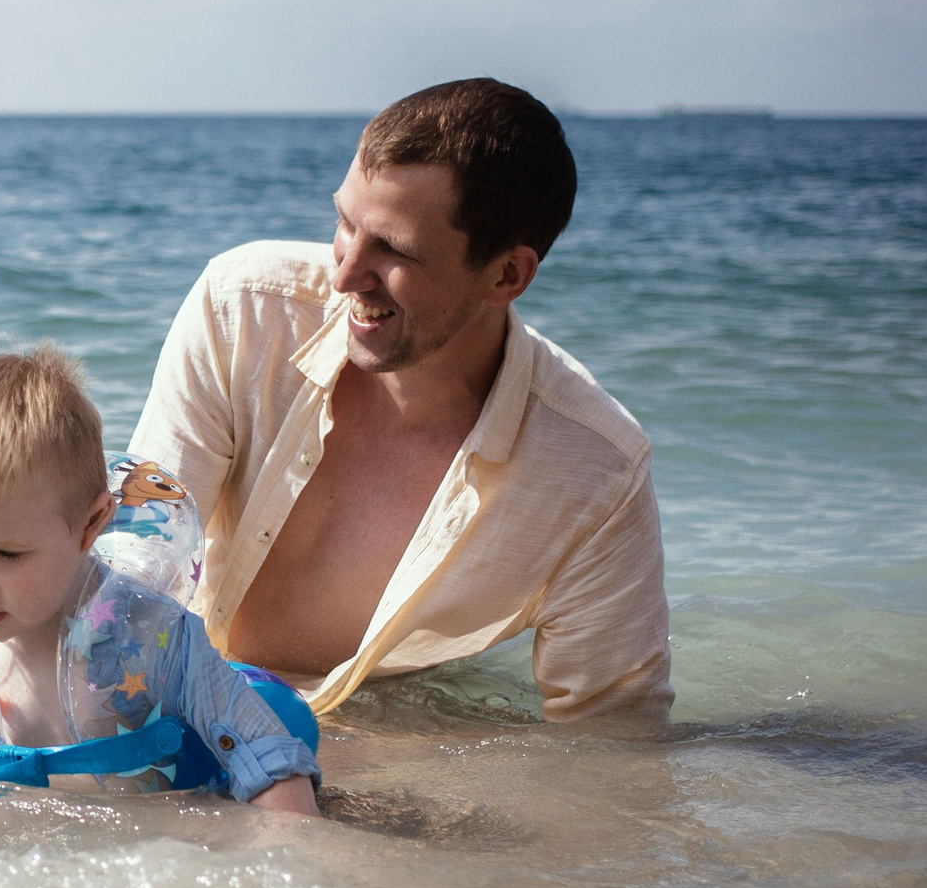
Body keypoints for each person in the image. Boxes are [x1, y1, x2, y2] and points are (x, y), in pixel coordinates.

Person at [129, 78, 670, 727]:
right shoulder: (240, 310)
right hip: (197, 707)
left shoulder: (596, 470)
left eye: (393, 249)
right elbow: (139, 564)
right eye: (345, 223)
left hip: (387, 746)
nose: (345, 275)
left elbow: (613, 737)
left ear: (507, 275)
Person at [0, 347, 321, 811]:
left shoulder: (160, 642)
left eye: (8, 553)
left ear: (92, 524)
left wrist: (286, 849)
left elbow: (269, 757)